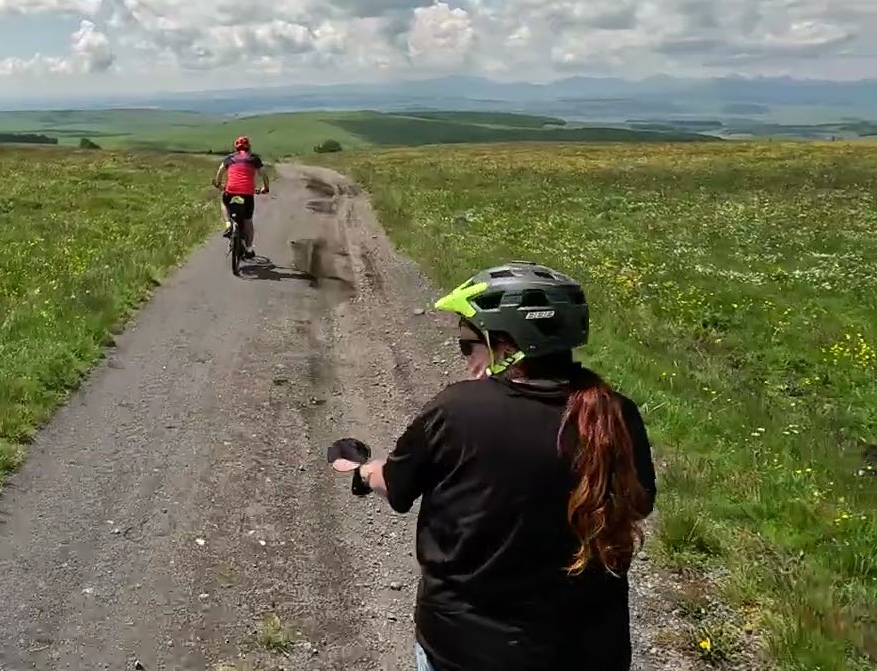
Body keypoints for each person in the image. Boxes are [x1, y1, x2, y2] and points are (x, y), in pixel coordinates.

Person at [343, 261, 657, 671]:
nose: (464, 360)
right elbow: (639, 503)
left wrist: (365, 472)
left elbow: (396, 483)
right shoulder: (616, 415)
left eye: (466, 346)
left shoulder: (457, 411)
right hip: (589, 653)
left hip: (466, 652)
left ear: (507, 347)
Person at [212, 135, 269, 258]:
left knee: (224, 202)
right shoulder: (254, 158)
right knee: (248, 221)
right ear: (249, 147)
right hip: (247, 194)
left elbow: (220, 171)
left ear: (236, 147)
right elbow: (263, 173)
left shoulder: (230, 158)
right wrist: (265, 188)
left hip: (231, 191)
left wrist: (218, 184)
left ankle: (228, 224)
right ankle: (248, 249)